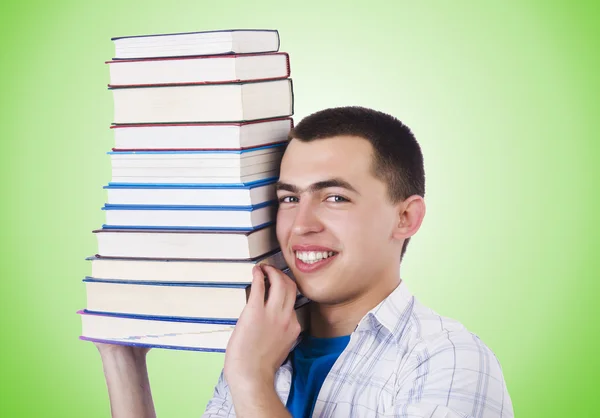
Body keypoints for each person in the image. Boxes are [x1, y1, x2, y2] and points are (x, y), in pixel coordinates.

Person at [96, 106, 513, 417]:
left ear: (405, 218)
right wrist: (124, 360)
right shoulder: (264, 344)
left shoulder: (447, 359)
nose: (301, 225)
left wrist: (253, 380)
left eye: (335, 198)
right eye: (290, 199)